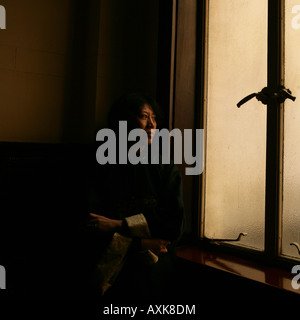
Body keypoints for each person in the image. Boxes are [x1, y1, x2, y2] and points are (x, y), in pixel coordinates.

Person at [84, 93, 184, 300]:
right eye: (143, 116)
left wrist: (117, 225)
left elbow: (173, 224)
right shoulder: (99, 165)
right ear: (124, 122)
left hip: (155, 268)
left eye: (154, 118)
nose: (151, 125)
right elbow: (92, 224)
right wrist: (140, 243)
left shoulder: (165, 167)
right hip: (108, 267)